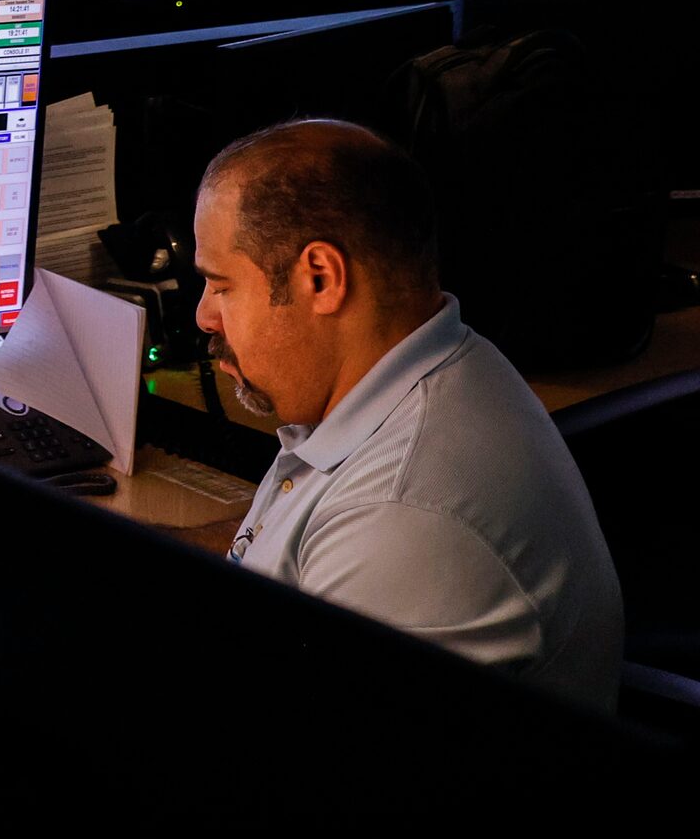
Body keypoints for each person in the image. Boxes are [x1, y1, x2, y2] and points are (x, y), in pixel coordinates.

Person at [191, 118, 622, 709]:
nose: (203, 317)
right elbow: (276, 551)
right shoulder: (430, 371)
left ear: (321, 278)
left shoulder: (402, 518)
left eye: (220, 286)